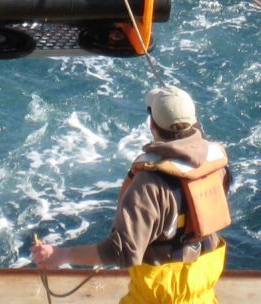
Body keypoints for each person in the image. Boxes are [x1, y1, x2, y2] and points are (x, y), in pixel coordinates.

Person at [31, 86, 232, 304]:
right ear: (194, 123)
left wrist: (61, 255)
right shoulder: (217, 167)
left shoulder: (150, 185)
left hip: (157, 296)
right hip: (202, 292)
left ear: (152, 124)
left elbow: (121, 251)